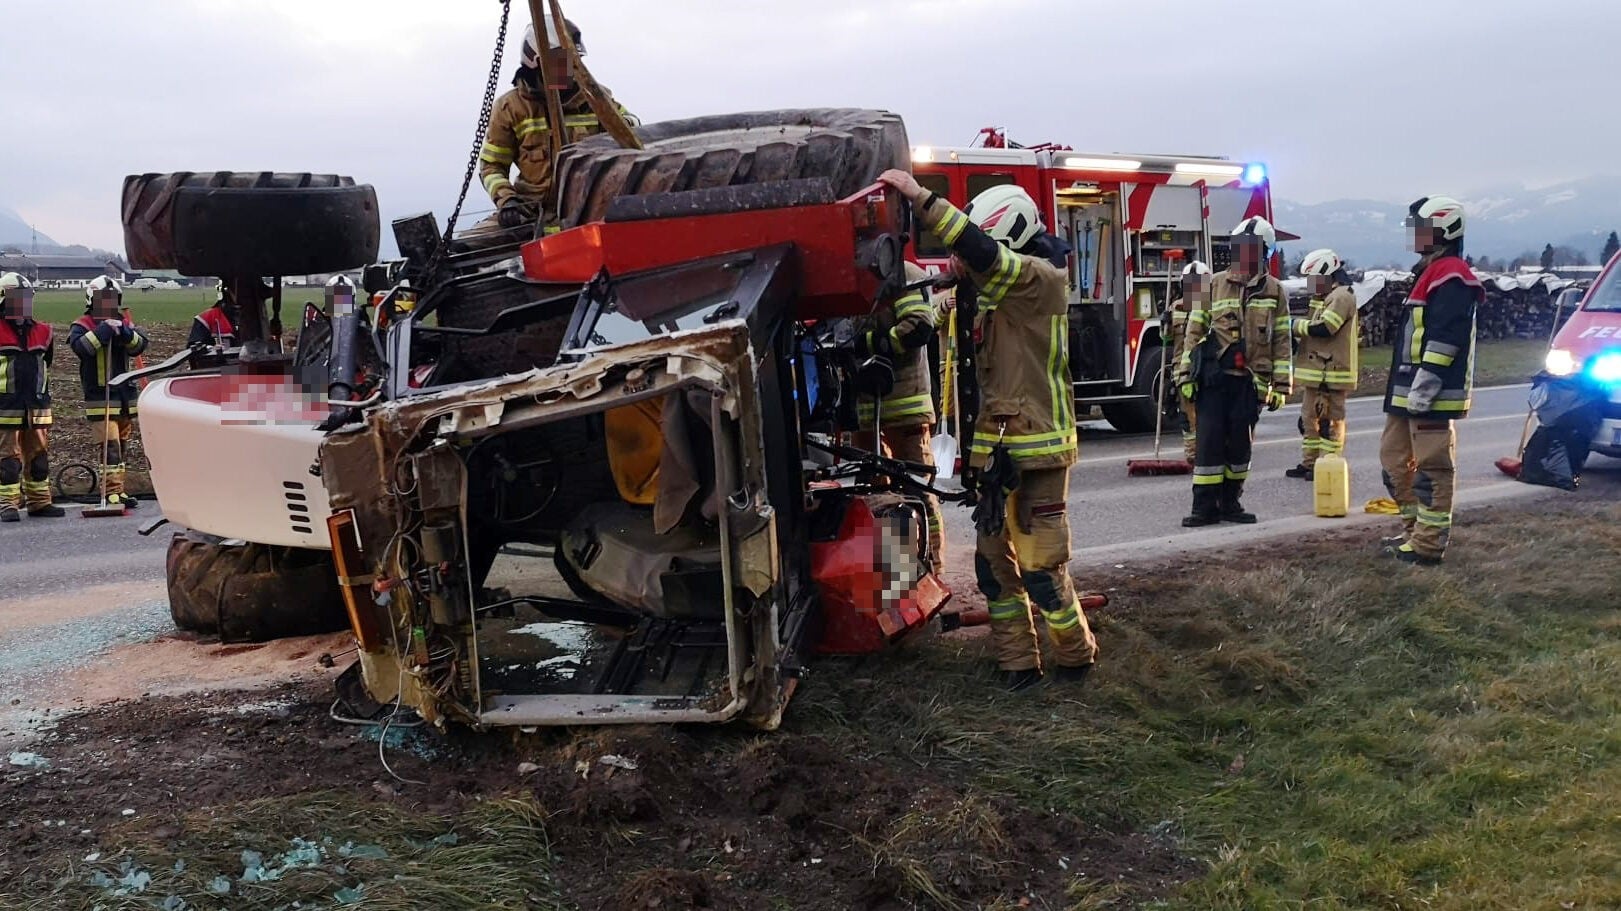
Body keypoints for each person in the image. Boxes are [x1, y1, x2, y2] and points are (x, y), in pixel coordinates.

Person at [878, 168, 1097, 692]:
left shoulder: (1039, 280)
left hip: (1038, 453)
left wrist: (920, 197)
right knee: (994, 568)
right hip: (997, 455)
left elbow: (983, 254)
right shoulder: (994, 296)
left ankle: (1076, 659)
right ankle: (1017, 665)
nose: (962, 262)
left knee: (1042, 570)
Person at [1380, 196, 1482, 565]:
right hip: (1408, 390)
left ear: (1445, 230)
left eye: (1420, 228)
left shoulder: (1452, 275)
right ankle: (1413, 531)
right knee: (1394, 461)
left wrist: (1427, 385)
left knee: (1432, 469)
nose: (1413, 234)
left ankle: (1428, 543)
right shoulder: (1429, 271)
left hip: (1431, 393)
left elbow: (1445, 337)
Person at [1176, 217, 1293, 526]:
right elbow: (1193, 331)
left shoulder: (1275, 291)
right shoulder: (1213, 284)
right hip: (1214, 380)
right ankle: (1204, 508)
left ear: (1265, 252)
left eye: (1252, 249)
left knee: (1240, 448)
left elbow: (1282, 340)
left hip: (1249, 384)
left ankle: (1231, 503)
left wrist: (1281, 387)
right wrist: (1186, 375)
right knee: (1209, 444)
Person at [471, 18, 636, 236]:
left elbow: (633, 131)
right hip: (530, 213)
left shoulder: (596, 97)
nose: (568, 69)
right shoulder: (510, 107)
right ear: (535, 63)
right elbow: (492, 166)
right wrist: (508, 201)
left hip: (589, 210)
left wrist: (620, 125)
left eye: (572, 60)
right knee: (466, 245)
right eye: (560, 61)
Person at [847, 261, 945, 570]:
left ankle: (930, 568)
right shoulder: (850, 276)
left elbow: (919, 326)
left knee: (916, 491)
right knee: (878, 496)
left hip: (906, 408)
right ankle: (898, 572)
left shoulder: (904, 275)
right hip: (865, 411)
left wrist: (868, 344)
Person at [69, 276, 148, 509]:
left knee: (122, 446)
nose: (108, 303)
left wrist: (124, 332)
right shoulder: (82, 324)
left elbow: (140, 346)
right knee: (109, 447)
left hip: (124, 397)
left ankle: (119, 490)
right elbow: (81, 348)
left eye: (112, 299)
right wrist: (102, 331)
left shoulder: (124, 322)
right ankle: (111, 492)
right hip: (100, 398)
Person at [1286, 249, 1360, 479]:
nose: (1311, 284)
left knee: (1331, 421)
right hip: (1318, 372)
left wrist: (1293, 325)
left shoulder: (1342, 296)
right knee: (1310, 419)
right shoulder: (1322, 298)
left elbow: (1326, 327)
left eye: (1313, 279)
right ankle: (1310, 463)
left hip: (1333, 372)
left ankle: (1329, 465)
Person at [0, 272, 64, 521]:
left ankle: (39, 502)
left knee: (39, 458)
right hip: (6, 407)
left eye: (26, 298)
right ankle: (7, 504)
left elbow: (47, 362)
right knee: (8, 460)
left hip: (37, 406)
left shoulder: (43, 331)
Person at [1168, 261, 1213, 465]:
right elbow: (1167, 340)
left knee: (1208, 414)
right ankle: (1193, 455)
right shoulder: (1176, 307)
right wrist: (1164, 324)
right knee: (1187, 417)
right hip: (1181, 369)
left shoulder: (1211, 308)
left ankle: (1209, 452)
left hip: (1205, 369)